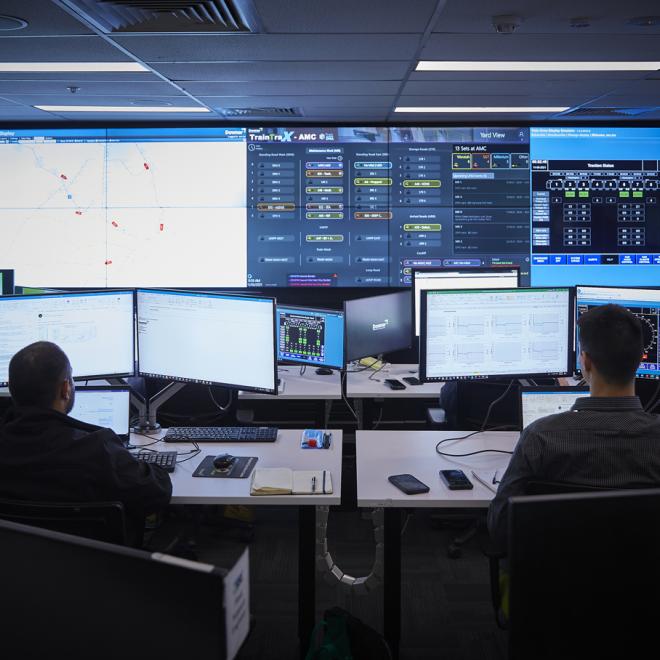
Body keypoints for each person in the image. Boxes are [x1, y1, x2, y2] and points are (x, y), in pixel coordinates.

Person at [488, 303, 660, 552]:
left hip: (553, 587)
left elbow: (500, 528)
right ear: (639, 359)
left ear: (586, 362)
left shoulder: (541, 437)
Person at [0, 341, 172, 544]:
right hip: (96, 569)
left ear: (11, 387)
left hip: (14, 569)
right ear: (66, 389)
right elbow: (156, 492)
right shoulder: (96, 449)